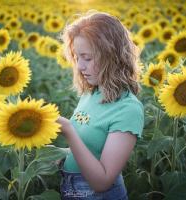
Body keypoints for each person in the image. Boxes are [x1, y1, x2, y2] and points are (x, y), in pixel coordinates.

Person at [57, 10, 144, 200]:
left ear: (112, 56)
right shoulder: (91, 93)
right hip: (70, 188)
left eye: (87, 58)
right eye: (77, 57)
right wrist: (60, 156)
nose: (80, 66)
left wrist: (69, 131)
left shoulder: (128, 109)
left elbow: (102, 182)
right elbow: (88, 147)